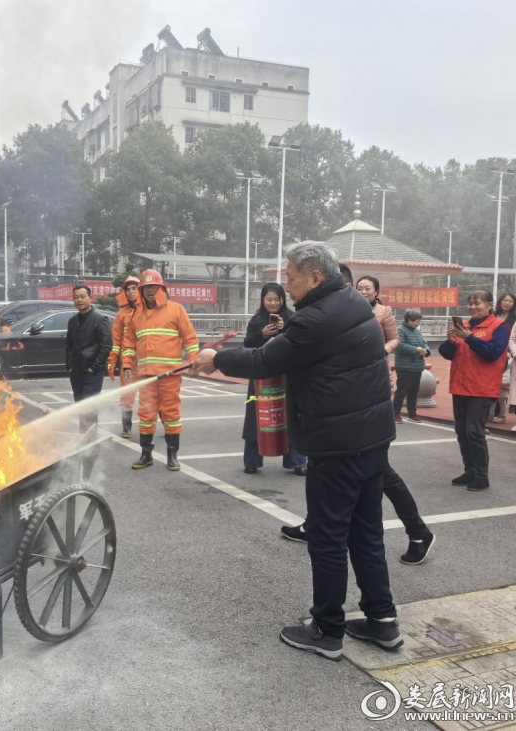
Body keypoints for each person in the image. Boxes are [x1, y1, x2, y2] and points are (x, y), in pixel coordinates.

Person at [192, 243, 400, 661]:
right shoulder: (354, 302)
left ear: (315, 277)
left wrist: (216, 358)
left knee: (327, 538)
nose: (285, 285)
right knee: (367, 531)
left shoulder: (314, 319)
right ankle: (382, 622)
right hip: (372, 438)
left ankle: (327, 630)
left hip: (337, 445)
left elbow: (266, 360)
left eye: (289, 276)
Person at [281, 268, 435, 566]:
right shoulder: (331, 311)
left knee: (381, 472)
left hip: (367, 393)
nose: (362, 291)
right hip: (334, 401)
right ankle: (315, 525)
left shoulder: (375, 313)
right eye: (360, 287)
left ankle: (418, 531)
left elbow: (394, 340)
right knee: (324, 462)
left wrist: (374, 352)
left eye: (366, 287)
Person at [121, 269, 199, 471]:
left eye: (154, 286)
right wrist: (127, 364)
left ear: (162, 288)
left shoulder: (176, 310)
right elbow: (129, 342)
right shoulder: (137, 315)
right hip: (146, 375)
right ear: (141, 290)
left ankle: (172, 455)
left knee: (171, 414)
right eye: (146, 287)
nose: (150, 290)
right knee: (146, 415)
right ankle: (146, 454)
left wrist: (194, 360)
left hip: (170, 374)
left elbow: (189, 337)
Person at [440, 289, 510, 490]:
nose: (472, 307)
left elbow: (493, 353)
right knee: (461, 430)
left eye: (477, 303)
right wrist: (451, 341)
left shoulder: (499, 327)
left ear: (489, 305)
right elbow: (447, 354)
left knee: (474, 431)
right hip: (460, 386)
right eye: (469, 303)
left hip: (482, 388)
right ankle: (469, 470)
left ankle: (481, 475)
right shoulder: (464, 326)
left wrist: (469, 338)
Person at [241, 284, 307, 476]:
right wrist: (263, 334)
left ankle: (297, 461)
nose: (273, 303)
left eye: (276, 299)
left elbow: (300, 341)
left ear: (282, 300)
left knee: (291, 415)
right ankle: (252, 461)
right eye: (269, 299)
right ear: (263, 300)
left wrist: (284, 329)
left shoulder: (292, 318)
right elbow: (247, 344)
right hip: (261, 373)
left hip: (287, 373)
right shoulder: (256, 320)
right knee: (257, 416)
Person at [65, 285, 112, 433]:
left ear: (90, 298)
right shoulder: (72, 321)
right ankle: (83, 440)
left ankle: (90, 447)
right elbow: (69, 346)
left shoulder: (100, 319)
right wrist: (69, 367)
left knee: (88, 407)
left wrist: (95, 367)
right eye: (76, 297)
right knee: (80, 405)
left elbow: (106, 345)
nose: (79, 300)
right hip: (76, 371)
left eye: (82, 296)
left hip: (92, 371)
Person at [107, 276, 141, 438]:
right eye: (128, 289)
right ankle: (126, 427)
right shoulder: (121, 315)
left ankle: (166, 422)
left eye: (134, 288)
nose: (131, 292)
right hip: (129, 362)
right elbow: (116, 341)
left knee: (157, 394)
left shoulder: (149, 311)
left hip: (149, 361)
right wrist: (112, 361)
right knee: (126, 395)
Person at [393, 309, 431, 424]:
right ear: (409, 320)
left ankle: (412, 414)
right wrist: (416, 350)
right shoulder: (400, 330)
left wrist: (426, 350)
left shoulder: (416, 331)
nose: (418, 323)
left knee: (414, 391)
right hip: (404, 367)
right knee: (401, 391)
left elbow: (423, 343)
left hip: (417, 366)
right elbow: (400, 346)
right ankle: (395, 414)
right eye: (417, 321)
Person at [492, 293, 516, 422]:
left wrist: (510, 352)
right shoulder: (492, 316)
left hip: (506, 355)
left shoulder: (515, 319)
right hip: (491, 353)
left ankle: (500, 414)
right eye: (505, 300)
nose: (507, 303)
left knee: (502, 385)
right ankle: (490, 413)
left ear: (514, 304)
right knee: (490, 383)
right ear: (500, 302)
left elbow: (514, 339)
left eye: (510, 301)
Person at [356, 276, 398, 355]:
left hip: (377, 360)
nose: (363, 292)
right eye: (359, 289)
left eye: (367, 289)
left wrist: (383, 351)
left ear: (376, 292)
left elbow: (394, 339)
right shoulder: (349, 309)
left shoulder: (385, 311)